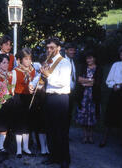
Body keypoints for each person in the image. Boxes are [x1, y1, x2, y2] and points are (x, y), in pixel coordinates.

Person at [39, 37, 71, 168]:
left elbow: (62, 82)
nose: (49, 50)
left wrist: (48, 75)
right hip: (49, 98)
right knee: (50, 129)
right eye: (47, 48)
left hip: (61, 98)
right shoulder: (48, 62)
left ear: (59, 48)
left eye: (52, 47)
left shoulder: (64, 62)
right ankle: (54, 156)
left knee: (61, 130)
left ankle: (65, 159)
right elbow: (42, 79)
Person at [100, 44, 122, 147]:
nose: (121, 57)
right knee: (110, 116)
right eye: (120, 55)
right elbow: (109, 79)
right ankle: (104, 139)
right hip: (115, 93)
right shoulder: (116, 65)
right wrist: (113, 85)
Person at [12, 48, 35, 158]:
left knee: (27, 124)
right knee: (19, 124)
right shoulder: (15, 71)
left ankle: (26, 147)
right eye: (26, 59)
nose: (28, 61)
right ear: (20, 60)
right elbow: (12, 87)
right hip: (19, 98)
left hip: (29, 99)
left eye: (30, 59)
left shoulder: (33, 70)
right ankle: (19, 149)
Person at [75, 50, 102, 144]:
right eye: (87, 58)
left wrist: (85, 81)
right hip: (84, 95)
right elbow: (79, 80)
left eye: (90, 58)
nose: (88, 60)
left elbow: (96, 82)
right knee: (83, 115)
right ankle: (85, 135)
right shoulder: (83, 67)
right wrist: (89, 81)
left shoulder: (98, 69)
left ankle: (90, 136)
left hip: (93, 95)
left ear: (94, 58)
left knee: (92, 115)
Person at [0, 54, 13, 153]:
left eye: (7, 63)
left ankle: (2, 146)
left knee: (5, 124)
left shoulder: (9, 74)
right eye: (4, 63)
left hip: (8, 100)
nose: (6, 65)